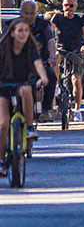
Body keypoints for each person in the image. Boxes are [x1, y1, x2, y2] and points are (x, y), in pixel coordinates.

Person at [0, 18, 48, 174]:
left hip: (22, 83)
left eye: (26, 31)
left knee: (27, 90)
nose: (23, 34)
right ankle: (0, 161)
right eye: (20, 31)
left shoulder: (30, 48)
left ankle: (28, 127)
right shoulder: (3, 48)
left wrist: (43, 77)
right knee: (3, 123)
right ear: (12, 33)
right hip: (3, 87)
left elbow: (37, 62)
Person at [50, 0, 84, 122]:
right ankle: (57, 84)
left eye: (71, 5)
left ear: (75, 7)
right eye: (65, 5)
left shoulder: (81, 19)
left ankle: (77, 110)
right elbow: (49, 30)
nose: (68, 8)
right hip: (60, 49)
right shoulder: (57, 17)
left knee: (76, 80)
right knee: (54, 58)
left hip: (75, 51)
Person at [18, 1, 57, 122]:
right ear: (21, 13)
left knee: (51, 76)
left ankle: (46, 109)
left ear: (36, 13)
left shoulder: (44, 25)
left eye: (31, 13)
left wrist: (52, 56)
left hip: (40, 63)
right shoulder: (13, 25)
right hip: (19, 64)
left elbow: (50, 41)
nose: (28, 16)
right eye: (25, 13)